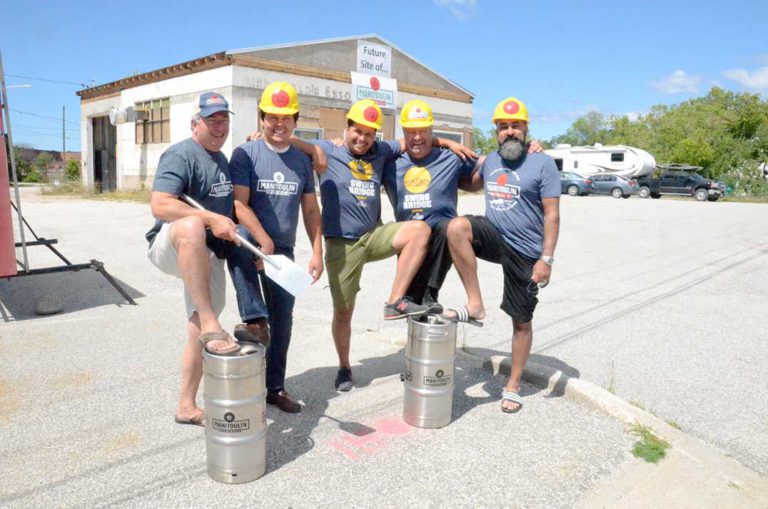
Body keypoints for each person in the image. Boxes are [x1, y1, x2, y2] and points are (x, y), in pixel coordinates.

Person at [146, 92, 267, 427]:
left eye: (224, 119)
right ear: (194, 124)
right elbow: (161, 205)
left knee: (197, 330)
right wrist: (211, 219)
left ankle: (186, 406)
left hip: (206, 253)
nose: (219, 126)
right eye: (211, 120)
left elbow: (231, 213)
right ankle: (212, 322)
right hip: (171, 243)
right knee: (190, 225)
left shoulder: (223, 160)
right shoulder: (181, 154)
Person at [445, 96, 560, 414]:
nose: (510, 132)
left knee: (521, 320)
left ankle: (513, 386)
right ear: (496, 131)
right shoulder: (491, 160)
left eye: (515, 125)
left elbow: (552, 215)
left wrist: (546, 259)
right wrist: (446, 149)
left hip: (526, 250)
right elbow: (470, 184)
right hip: (495, 238)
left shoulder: (543, 163)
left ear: (526, 129)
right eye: (503, 127)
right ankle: (475, 304)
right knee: (456, 228)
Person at [314, 99, 433, 392]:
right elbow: (291, 144)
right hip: (343, 244)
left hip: (373, 235)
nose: (362, 138)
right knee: (343, 313)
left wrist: (449, 143)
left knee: (419, 230)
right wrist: (258, 137)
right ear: (347, 127)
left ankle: (395, 300)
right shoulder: (329, 149)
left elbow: (413, 140)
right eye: (357, 131)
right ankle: (344, 367)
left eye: (369, 134)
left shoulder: (380, 151)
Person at [229, 82, 323, 413]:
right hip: (255, 245)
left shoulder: (301, 160)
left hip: (284, 254)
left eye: (285, 118)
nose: (278, 124)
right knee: (239, 232)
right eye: (271, 117)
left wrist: (317, 251)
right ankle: (254, 319)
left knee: (283, 321)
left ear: (295, 120)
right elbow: (239, 205)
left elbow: (311, 209)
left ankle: (275, 387)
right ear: (261, 118)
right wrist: (263, 243)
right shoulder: (245, 154)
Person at [383, 99, 479, 314]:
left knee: (449, 226)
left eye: (423, 131)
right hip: (410, 239)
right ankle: (413, 310)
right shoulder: (390, 162)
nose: (417, 137)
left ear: (431, 131)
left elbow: (487, 166)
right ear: (404, 133)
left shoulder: (451, 158)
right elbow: (359, 155)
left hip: (441, 241)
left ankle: (429, 293)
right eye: (411, 131)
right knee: (413, 303)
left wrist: (528, 153)